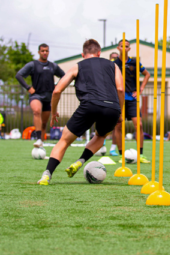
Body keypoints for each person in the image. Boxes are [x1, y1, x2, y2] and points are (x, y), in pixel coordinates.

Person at [37, 39, 124, 185]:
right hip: (112, 107)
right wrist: (119, 112)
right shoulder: (113, 65)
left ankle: (47, 175)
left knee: (64, 141)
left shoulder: (77, 66)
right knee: (101, 136)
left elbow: (57, 90)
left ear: (83, 54)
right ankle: (80, 161)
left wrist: (53, 112)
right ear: (99, 52)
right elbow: (120, 89)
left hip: (89, 105)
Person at [16, 44, 65, 147]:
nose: (44, 53)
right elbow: (19, 75)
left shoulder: (53, 66)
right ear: (39, 52)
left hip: (48, 97)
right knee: (36, 111)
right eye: (42, 51)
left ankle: (40, 145)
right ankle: (38, 139)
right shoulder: (33, 65)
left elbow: (64, 75)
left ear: (48, 52)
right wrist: (28, 88)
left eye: (46, 51)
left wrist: (58, 87)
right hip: (36, 95)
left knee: (44, 123)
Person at [114, 39, 151, 163]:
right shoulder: (113, 63)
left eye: (127, 46)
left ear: (129, 49)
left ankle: (140, 155)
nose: (124, 48)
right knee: (118, 126)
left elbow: (147, 74)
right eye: (122, 46)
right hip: (118, 99)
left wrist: (140, 89)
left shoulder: (135, 62)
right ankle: (121, 155)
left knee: (139, 125)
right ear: (118, 48)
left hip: (132, 99)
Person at [108, 52, 119, 156]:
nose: (114, 60)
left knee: (116, 125)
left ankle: (112, 148)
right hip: (106, 98)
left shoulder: (119, 70)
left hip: (116, 99)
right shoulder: (106, 69)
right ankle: (101, 144)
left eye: (116, 58)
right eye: (113, 58)